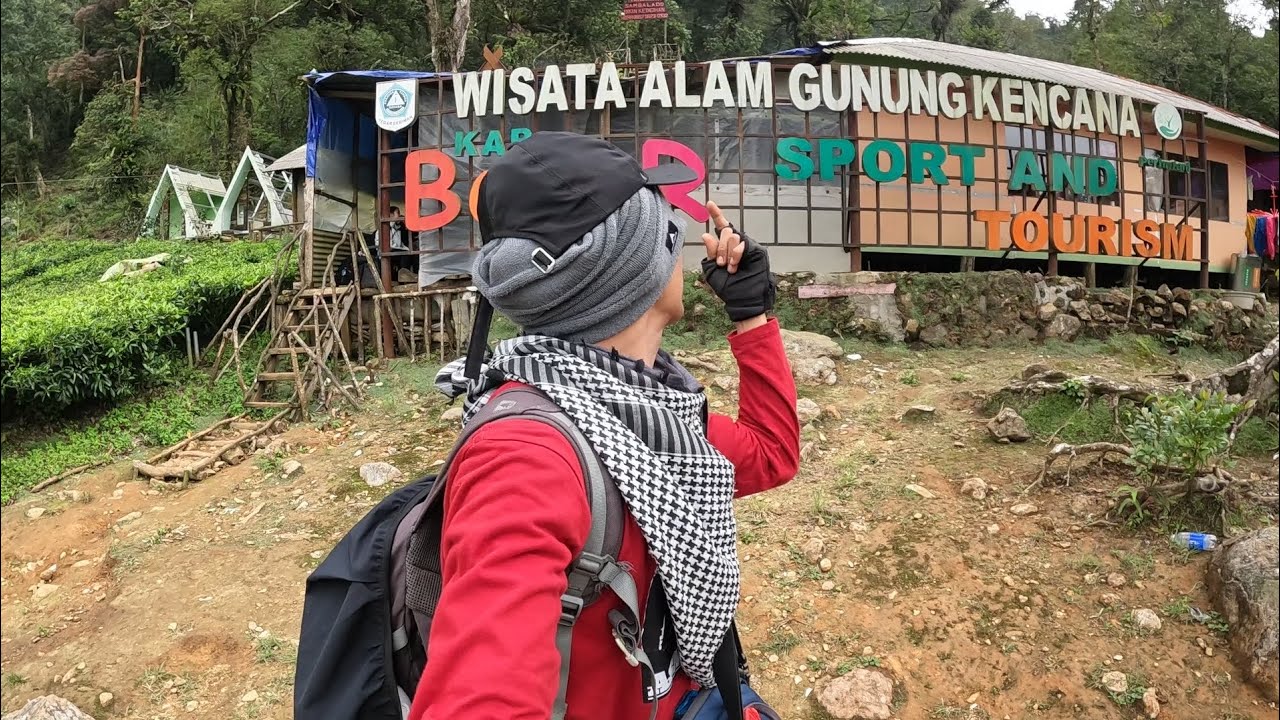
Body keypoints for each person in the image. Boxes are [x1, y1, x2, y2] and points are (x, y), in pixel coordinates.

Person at [413, 132, 799, 720]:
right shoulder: (525, 456)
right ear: (636, 266)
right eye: (667, 222)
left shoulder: (651, 416)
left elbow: (771, 454)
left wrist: (750, 313)